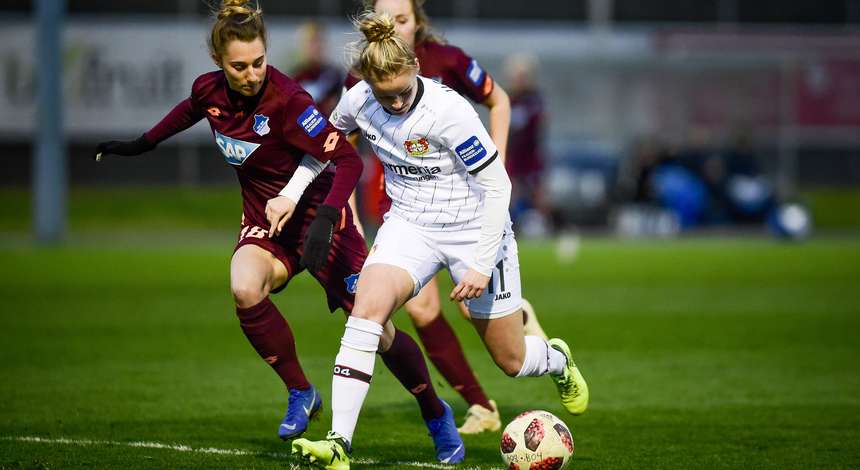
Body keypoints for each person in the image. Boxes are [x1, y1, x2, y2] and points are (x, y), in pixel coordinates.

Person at [92, 1, 464, 462]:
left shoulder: (289, 102)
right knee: (244, 286)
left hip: (324, 227)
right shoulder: (209, 91)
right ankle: (301, 391)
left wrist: (327, 220)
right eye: (239, 66)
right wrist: (138, 145)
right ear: (218, 62)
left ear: (268, 54)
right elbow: (188, 112)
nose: (251, 74)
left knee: (376, 329)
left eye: (259, 62)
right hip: (266, 224)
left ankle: (434, 411)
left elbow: (346, 159)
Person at [291, 12, 589, 469]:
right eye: (384, 95)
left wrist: (482, 265)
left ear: (415, 68)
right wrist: (290, 194)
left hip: (475, 229)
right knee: (366, 310)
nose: (393, 104)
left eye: (403, 92)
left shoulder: (449, 112)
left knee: (509, 359)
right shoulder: (357, 100)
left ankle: (555, 359)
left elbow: (497, 188)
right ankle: (338, 444)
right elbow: (325, 150)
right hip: (410, 225)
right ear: (369, 83)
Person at [347, 0, 549, 435]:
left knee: (497, 341)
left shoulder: (449, 62)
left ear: (418, 22)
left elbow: (499, 100)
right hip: (406, 210)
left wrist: (496, 161)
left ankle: (525, 330)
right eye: (384, 19)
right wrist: (343, 208)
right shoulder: (365, 77)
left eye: (401, 19)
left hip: (466, 210)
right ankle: (478, 404)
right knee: (417, 308)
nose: (393, 26)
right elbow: (338, 142)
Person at [504, 53, 551, 234]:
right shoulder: (506, 100)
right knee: (508, 195)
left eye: (523, 76)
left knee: (539, 197)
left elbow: (537, 126)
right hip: (512, 157)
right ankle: (507, 232)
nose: (520, 80)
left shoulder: (535, 100)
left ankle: (548, 229)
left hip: (531, 157)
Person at [290, 21, 343, 117]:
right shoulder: (296, 77)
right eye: (312, 43)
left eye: (319, 42)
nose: (317, 47)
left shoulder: (334, 75)